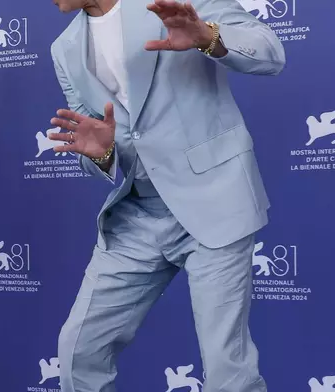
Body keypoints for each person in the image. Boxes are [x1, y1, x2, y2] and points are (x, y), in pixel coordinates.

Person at [47, 0, 284, 391]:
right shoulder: (65, 48)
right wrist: (101, 153)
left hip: (215, 199)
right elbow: (91, 139)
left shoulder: (172, 2)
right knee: (80, 349)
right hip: (138, 213)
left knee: (228, 370)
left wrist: (210, 37)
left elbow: (270, 52)